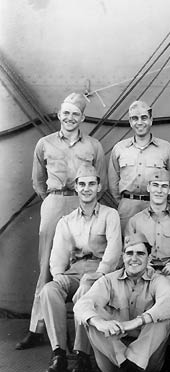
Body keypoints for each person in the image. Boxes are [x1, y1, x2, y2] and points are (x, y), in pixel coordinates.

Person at [19, 92, 107, 351]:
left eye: (75, 114)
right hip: (55, 202)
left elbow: (99, 181)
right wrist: (54, 200)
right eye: (65, 113)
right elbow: (38, 181)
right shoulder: (44, 144)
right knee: (47, 265)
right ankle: (37, 328)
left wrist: (81, 199)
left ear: (82, 118)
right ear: (59, 114)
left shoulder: (93, 146)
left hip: (82, 203)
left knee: (82, 262)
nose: (70, 118)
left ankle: (83, 329)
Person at [39, 164, 121, 372]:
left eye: (91, 184)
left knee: (86, 287)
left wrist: (98, 274)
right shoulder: (66, 221)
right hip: (74, 273)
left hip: (101, 275)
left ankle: (82, 355)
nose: (86, 188)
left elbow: (113, 253)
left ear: (99, 187)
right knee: (49, 290)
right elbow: (58, 256)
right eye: (82, 184)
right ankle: (59, 354)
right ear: (76, 187)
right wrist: (58, 278)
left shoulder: (110, 215)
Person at [74, 234, 170, 372]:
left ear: (149, 258)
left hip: (148, 360)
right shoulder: (108, 280)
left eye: (140, 254)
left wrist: (137, 322)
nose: (134, 258)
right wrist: (99, 323)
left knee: (161, 318)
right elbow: (81, 305)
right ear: (123, 256)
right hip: (112, 357)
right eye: (129, 253)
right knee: (91, 317)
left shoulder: (158, 280)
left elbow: (169, 303)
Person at [108, 100, 170, 231]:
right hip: (127, 209)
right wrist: (125, 203)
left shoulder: (166, 148)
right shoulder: (119, 149)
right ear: (130, 122)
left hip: (157, 207)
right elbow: (113, 185)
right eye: (135, 118)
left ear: (151, 120)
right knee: (129, 248)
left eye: (144, 118)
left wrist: (165, 207)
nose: (139, 122)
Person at [126, 168, 170, 296]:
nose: (159, 190)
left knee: (167, 291)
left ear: (169, 190)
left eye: (164, 186)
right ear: (148, 188)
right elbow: (127, 254)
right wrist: (142, 264)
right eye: (155, 185)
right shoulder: (135, 221)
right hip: (143, 272)